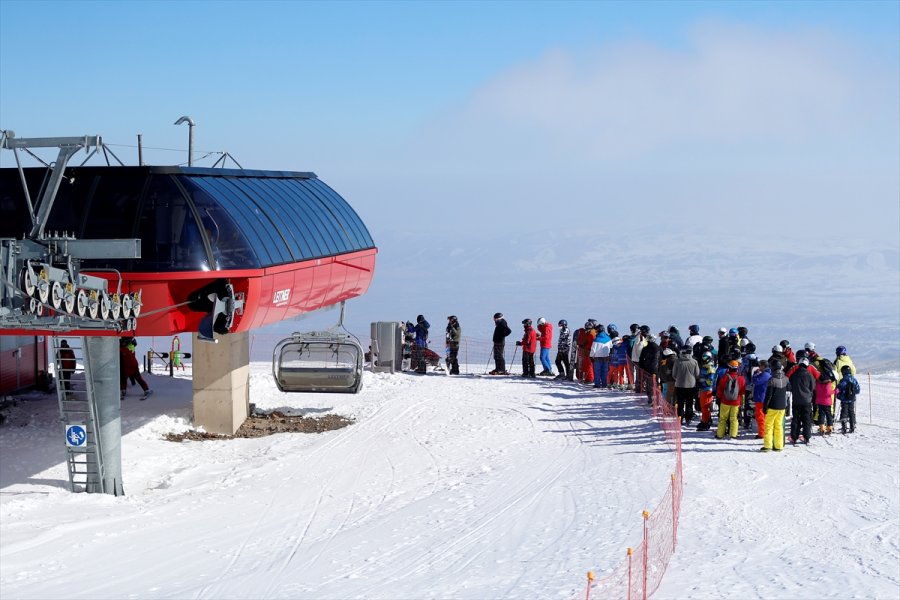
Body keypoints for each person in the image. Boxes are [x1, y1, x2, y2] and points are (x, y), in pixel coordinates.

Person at [761, 363, 790, 452]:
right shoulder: (786, 379)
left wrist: (765, 406)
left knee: (769, 426)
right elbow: (789, 391)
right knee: (779, 426)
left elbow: (768, 395)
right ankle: (778, 446)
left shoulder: (772, 380)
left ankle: (768, 445)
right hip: (782, 407)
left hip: (772, 406)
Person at [788, 357, 816, 445]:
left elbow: (790, 387)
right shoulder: (809, 375)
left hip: (796, 400)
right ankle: (807, 438)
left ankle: (794, 438)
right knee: (806, 419)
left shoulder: (794, 375)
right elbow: (812, 387)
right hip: (807, 401)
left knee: (796, 419)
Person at [715, 359, 745, 440]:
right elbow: (742, 391)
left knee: (722, 419)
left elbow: (720, 389)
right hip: (736, 402)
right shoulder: (741, 378)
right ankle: (733, 435)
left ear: (729, 367)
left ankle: (720, 435)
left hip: (725, 401)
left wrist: (718, 398)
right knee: (734, 418)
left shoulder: (725, 377)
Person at [672, 345, 699, 426]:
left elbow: (674, 374)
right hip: (691, 385)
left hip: (679, 385)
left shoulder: (677, 361)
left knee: (680, 403)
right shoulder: (694, 362)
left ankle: (680, 418)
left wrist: (679, 378)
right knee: (689, 403)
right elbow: (697, 374)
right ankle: (688, 418)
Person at [696, 351, 717, 431]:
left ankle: (706, 422)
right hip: (703, 389)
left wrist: (703, 384)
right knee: (703, 405)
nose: (704, 359)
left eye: (705, 357)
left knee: (705, 406)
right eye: (703, 357)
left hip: (707, 389)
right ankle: (705, 419)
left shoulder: (710, 367)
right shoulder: (704, 366)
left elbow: (711, 380)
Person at [836, 365, 860, 434]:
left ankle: (844, 427)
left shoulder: (842, 381)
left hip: (844, 400)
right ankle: (852, 427)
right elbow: (858, 390)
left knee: (844, 412)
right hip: (852, 399)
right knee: (851, 412)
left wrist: (839, 396)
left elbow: (838, 390)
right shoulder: (854, 379)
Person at [751, 360, 771, 439]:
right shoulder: (766, 374)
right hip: (762, 397)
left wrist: (755, 374)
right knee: (762, 416)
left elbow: (755, 381)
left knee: (760, 416)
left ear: (763, 366)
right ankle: (763, 432)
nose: (759, 367)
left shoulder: (765, 375)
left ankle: (762, 433)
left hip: (761, 398)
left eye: (760, 366)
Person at [814, 367, 836, 435]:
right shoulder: (828, 383)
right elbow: (828, 393)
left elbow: (816, 391)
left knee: (821, 415)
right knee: (829, 415)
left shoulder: (817, 383)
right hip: (827, 402)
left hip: (820, 402)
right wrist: (835, 391)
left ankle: (822, 428)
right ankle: (829, 428)